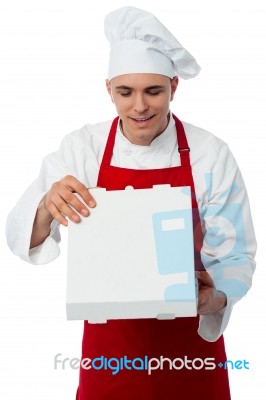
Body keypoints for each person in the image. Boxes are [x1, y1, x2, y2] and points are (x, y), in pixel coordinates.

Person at [6, 6, 256, 400]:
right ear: (108, 88)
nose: (139, 106)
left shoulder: (210, 153)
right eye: (125, 92)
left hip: (189, 353)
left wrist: (217, 297)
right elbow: (24, 237)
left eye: (153, 91)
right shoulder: (82, 148)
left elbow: (237, 254)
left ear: (174, 86)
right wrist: (44, 206)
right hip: (109, 355)